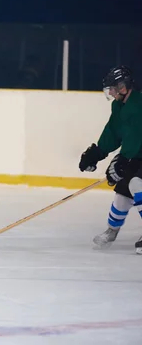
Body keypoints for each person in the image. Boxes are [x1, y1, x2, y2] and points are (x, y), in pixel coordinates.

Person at [79, 66, 142, 254]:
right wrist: (97, 153)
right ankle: (112, 231)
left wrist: (124, 158)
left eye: (114, 88)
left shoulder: (139, 103)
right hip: (137, 154)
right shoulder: (118, 105)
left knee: (137, 184)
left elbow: (136, 135)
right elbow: (113, 132)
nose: (112, 93)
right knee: (123, 190)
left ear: (123, 86)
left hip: (138, 151)